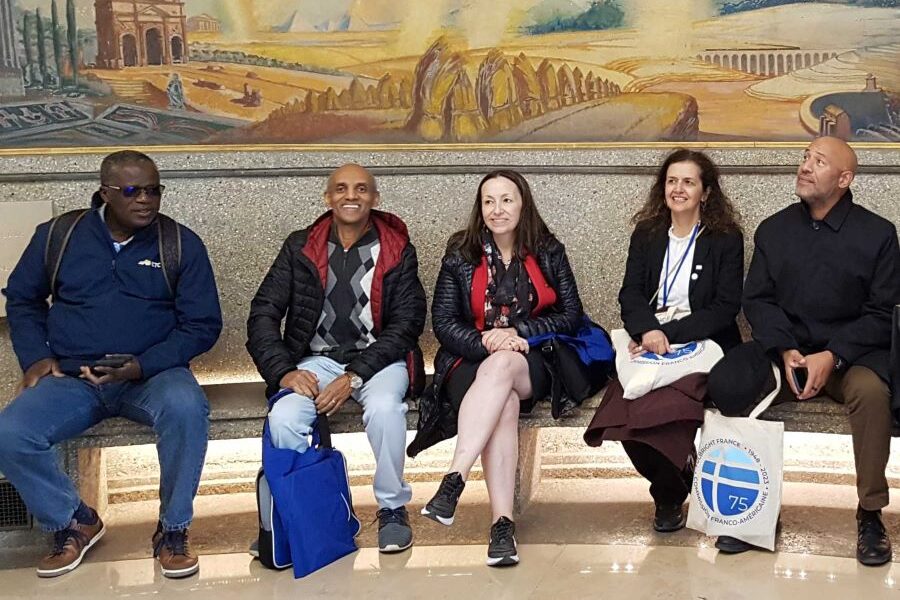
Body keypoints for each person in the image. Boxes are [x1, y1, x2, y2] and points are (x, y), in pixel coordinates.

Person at [0, 150, 223, 579]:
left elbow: (202, 325)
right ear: (104, 193)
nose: (146, 200)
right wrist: (37, 358)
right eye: (132, 190)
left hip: (153, 375)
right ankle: (72, 520)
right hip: (74, 378)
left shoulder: (179, 242)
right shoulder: (60, 235)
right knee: (11, 432)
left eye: (154, 190)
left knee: (187, 409)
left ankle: (173, 531)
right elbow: (23, 299)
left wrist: (142, 365)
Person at [708, 136, 900, 565]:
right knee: (729, 381)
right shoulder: (775, 229)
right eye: (804, 158)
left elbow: (883, 311)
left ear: (845, 179)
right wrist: (785, 349)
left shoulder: (878, 234)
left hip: (849, 358)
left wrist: (832, 355)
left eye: (819, 161)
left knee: (872, 393)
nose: (805, 166)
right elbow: (757, 299)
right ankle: (754, 510)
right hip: (786, 353)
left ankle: (870, 513)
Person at [246, 163, 426, 554]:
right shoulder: (300, 246)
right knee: (284, 418)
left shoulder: (396, 249)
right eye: (341, 189)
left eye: (362, 189)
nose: (351, 196)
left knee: (384, 410)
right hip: (314, 362)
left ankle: (393, 508)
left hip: (378, 362)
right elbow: (263, 312)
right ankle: (302, 514)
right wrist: (284, 372)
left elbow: (407, 324)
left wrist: (355, 376)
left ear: (375, 199)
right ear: (327, 197)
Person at [408, 169, 584, 567]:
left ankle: (455, 478)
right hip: (469, 362)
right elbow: (444, 320)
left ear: (523, 204)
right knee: (502, 403)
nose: (497, 209)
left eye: (507, 200)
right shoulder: (460, 252)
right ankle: (501, 528)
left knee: (506, 365)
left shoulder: (548, 249)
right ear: (480, 207)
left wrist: (521, 332)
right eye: (489, 201)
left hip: (534, 360)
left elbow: (572, 315)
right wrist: (484, 340)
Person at [584, 148, 744, 533]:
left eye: (688, 182)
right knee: (622, 410)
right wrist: (646, 331)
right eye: (672, 181)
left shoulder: (725, 238)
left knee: (666, 408)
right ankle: (673, 483)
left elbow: (725, 308)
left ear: (705, 192)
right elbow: (630, 294)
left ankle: (667, 498)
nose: (679, 189)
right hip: (648, 342)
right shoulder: (649, 234)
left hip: (704, 345)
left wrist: (664, 335)